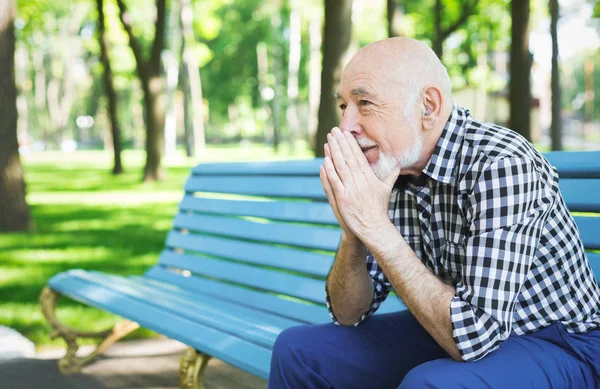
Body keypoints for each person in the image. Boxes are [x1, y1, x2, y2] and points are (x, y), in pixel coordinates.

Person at [268, 37, 600, 389]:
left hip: (561, 344)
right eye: (343, 106)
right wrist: (354, 231)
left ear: (428, 106)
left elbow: (475, 335)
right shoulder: (392, 168)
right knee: (298, 351)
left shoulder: (501, 164)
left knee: (431, 384)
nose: (346, 125)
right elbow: (348, 313)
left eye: (364, 103)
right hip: (448, 326)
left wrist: (375, 226)